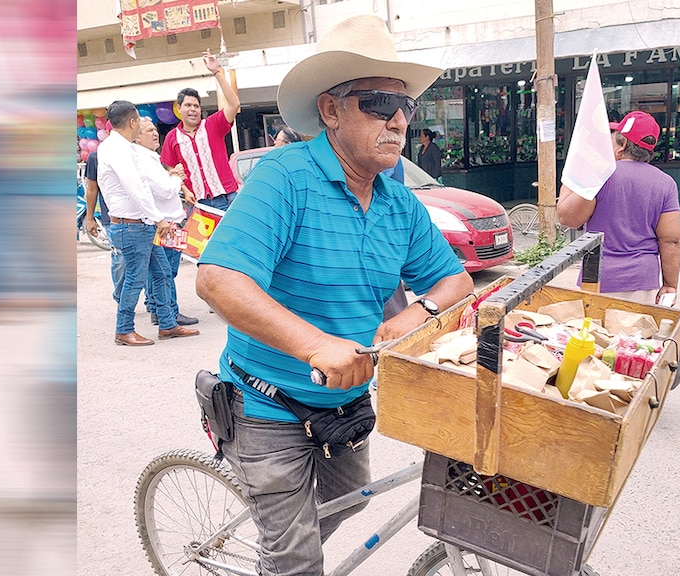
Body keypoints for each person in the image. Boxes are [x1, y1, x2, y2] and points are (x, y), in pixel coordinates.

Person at [195, 14, 474, 574]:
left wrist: (417, 312)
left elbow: (457, 280)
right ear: (331, 110)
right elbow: (217, 278)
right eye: (377, 102)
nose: (397, 120)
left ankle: (279, 543)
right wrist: (315, 346)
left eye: (406, 107)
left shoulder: (399, 204)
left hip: (346, 403)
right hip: (265, 406)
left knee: (350, 504)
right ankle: (283, 550)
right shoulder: (284, 176)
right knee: (297, 561)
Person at [97, 100, 199, 345]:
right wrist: (159, 218)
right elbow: (136, 188)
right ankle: (123, 329)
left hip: (140, 224)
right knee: (135, 278)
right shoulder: (117, 149)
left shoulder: (121, 147)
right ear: (132, 122)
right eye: (140, 123)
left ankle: (167, 324)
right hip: (131, 224)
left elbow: (141, 186)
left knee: (162, 272)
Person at [557, 111, 680, 306]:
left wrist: (571, 178)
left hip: (598, 277)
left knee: (597, 335)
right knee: (636, 337)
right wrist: (670, 285)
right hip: (643, 280)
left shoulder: (600, 176)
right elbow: (672, 240)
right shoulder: (666, 183)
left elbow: (568, 218)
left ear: (622, 145)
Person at [133, 117, 200, 327]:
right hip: (167, 223)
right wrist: (177, 178)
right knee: (166, 271)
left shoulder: (150, 157)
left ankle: (159, 309)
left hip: (168, 221)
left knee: (162, 271)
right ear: (137, 137)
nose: (155, 134)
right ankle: (169, 313)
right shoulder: (144, 158)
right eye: (149, 131)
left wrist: (170, 176)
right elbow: (164, 189)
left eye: (155, 129)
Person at [160, 49, 241, 213]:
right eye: (188, 105)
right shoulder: (172, 137)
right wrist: (184, 189)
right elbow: (171, 169)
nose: (192, 109)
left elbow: (234, 105)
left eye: (196, 106)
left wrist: (216, 72)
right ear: (179, 109)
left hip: (227, 197)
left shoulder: (213, 125)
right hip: (197, 204)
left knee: (232, 239)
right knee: (205, 241)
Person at [84, 151, 126, 302]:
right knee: (120, 258)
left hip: (140, 216)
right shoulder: (96, 157)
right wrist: (90, 219)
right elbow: (92, 189)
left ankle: (152, 302)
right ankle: (121, 299)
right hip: (112, 218)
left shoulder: (136, 151)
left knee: (146, 259)